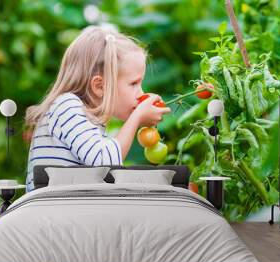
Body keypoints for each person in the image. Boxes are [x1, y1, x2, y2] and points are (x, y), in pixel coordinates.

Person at [24, 26, 171, 192]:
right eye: (134, 83)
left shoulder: (87, 119)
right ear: (99, 86)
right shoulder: (67, 106)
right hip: (49, 212)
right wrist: (136, 118)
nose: (141, 93)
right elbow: (105, 164)